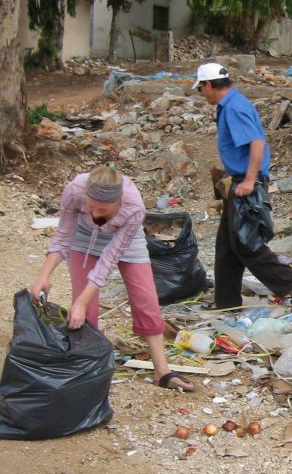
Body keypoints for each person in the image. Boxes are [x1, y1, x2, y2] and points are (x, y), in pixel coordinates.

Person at [30, 166, 195, 392]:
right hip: (84, 236)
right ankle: (87, 367)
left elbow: (109, 260)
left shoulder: (133, 207)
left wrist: (79, 302)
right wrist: (43, 276)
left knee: (146, 299)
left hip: (124, 239)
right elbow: (63, 236)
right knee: (85, 310)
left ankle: (162, 371)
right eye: (91, 207)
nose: (96, 214)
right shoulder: (74, 191)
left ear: (118, 203)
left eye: (104, 209)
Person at [193, 62, 292, 310]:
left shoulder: (234, 107)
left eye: (201, 88)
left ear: (209, 85)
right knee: (226, 247)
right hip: (238, 182)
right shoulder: (229, 105)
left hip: (245, 184)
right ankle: (226, 301)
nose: (202, 94)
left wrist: (250, 180)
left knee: (246, 244)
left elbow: (257, 144)